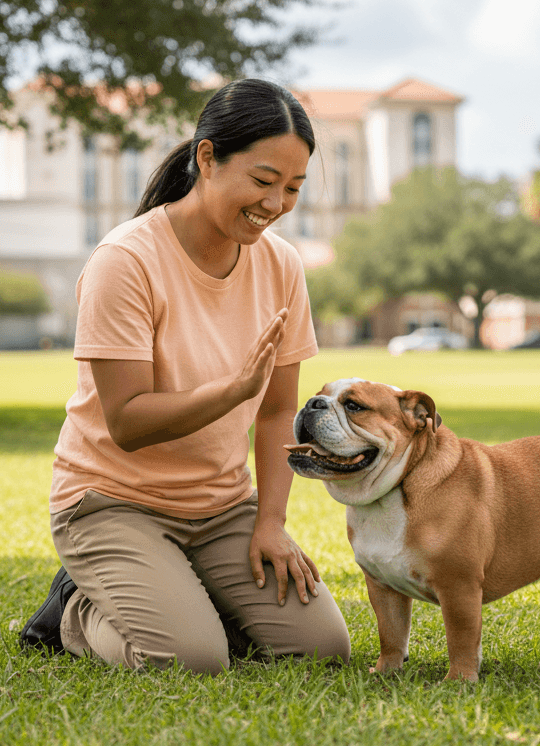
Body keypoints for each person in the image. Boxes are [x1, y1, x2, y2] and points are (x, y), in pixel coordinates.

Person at [18, 79, 350, 675]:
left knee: (322, 649)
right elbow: (125, 422)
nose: (275, 205)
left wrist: (270, 523)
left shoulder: (281, 265)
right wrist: (228, 393)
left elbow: (277, 412)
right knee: (190, 661)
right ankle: (74, 609)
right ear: (206, 158)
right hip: (111, 503)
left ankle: (184, 593)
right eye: (262, 181)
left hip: (222, 507)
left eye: (294, 188)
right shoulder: (126, 261)